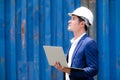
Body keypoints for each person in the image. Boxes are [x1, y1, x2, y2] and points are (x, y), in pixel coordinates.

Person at [54, 6, 98, 80]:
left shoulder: (89, 43)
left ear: (82, 24)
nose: (69, 21)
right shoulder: (73, 43)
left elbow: (93, 69)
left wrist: (67, 70)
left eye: (73, 19)